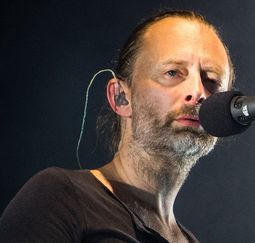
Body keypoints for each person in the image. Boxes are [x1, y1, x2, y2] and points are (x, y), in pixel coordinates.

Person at [0, 10, 234, 243]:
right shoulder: (60, 197)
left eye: (211, 80)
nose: (198, 92)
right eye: (172, 72)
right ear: (121, 97)